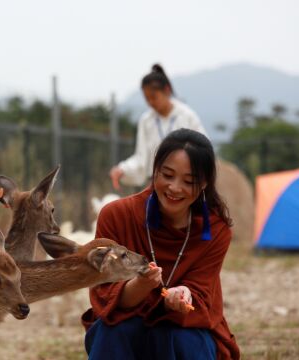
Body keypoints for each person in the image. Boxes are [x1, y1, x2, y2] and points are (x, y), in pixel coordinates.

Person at [82, 129, 240, 360]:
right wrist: (140, 285)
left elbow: (201, 295)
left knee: (177, 336)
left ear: (204, 183)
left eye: (189, 181)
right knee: (114, 330)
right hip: (125, 323)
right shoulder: (117, 216)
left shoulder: (216, 230)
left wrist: (185, 294)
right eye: (167, 175)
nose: (175, 188)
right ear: (154, 171)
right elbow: (105, 297)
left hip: (185, 327)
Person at [110, 64, 208, 191]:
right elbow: (141, 158)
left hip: (184, 186)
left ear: (166, 90)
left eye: (154, 97)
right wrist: (123, 169)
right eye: (147, 98)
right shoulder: (146, 121)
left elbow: (204, 150)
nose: (150, 102)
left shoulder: (187, 116)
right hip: (156, 185)